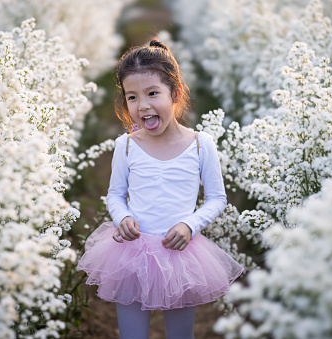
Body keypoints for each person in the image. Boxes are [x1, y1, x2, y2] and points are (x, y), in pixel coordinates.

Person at [77, 39, 244, 339]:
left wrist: (190, 225)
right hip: (129, 254)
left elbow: (217, 198)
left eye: (153, 93)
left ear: (175, 93)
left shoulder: (199, 144)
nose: (142, 106)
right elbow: (115, 194)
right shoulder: (126, 145)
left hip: (179, 253)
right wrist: (122, 218)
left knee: (181, 335)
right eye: (132, 97)